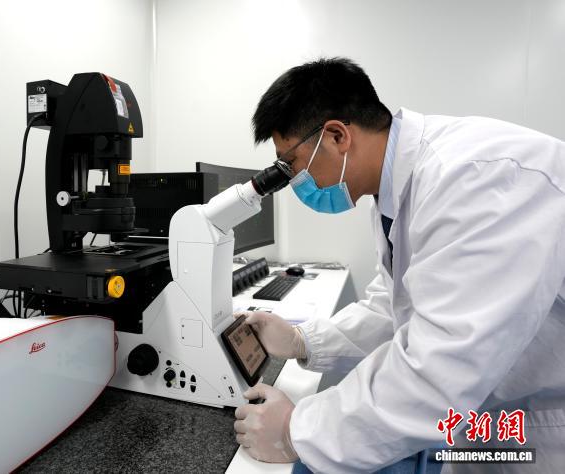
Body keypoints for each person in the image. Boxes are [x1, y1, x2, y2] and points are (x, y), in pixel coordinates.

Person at [233, 57, 565, 473]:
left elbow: (441, 370)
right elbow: (396, 307)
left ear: (336, 136)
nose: (293, 180)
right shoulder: (398, 189)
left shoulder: (475, 180)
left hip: (544, 430)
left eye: (291, 163)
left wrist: (295, 431)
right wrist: (304, 341)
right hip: (492, 416)